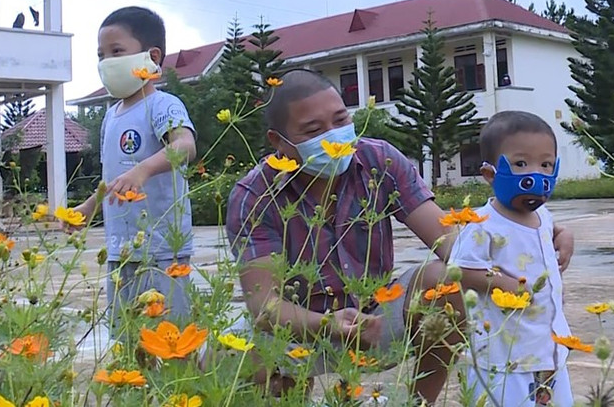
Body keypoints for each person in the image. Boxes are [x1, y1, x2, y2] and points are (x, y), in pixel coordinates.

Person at [224, 70, 575, 403]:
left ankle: (418, 404)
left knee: (444, 283)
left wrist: (530, 230)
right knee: (227, 357)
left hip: (377, 319)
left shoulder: (378, 160)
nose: (332, 135)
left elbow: (452, 242)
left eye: (341, 120)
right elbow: (264, 306)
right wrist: (328, 324)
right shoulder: (256, 195)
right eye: (313, 129)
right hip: (300, 330)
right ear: (278, 142)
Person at [67, 6, 197, 334]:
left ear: (151, 57)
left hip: (163, 252)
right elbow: (112, 178)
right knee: (126, 340)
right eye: (101, 55)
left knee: (170, 338)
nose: (106, 62)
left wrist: (144, 170)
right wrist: (89, 207)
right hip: (121, 252)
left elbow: (185, 146)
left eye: (116, 52)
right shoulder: (111, 115)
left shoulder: (162, 105)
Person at [451, 111, 573, 406]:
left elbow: (551, 230)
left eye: (546, 164)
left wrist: (565, 235)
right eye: (521, 164)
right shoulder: (483, 224)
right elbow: (459, 269)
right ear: (490, 174)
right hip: (505, 356)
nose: (538, 174)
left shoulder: (542, 215)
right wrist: (503, 283)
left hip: (548, 349)